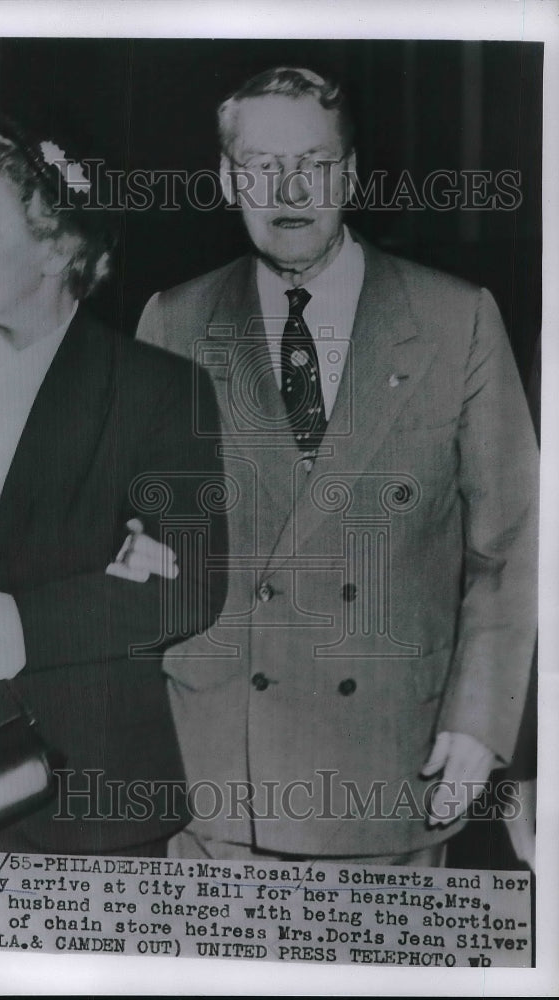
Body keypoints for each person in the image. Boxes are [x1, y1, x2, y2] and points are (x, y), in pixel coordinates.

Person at [137, 67, 538, 865]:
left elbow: (516, 549)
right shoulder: (173, 320)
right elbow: (133, 529)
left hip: (395, 768)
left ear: (349, 175)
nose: (288, 189)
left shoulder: (455, 319)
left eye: (314, 164)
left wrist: (482, 721)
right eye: (260, 165)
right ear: (227, 178)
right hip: (217, 784)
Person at [0, 117, 227, 856]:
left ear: (59, 247)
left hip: (96, 796)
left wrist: (18, 623)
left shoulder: (160, 391)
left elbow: (187, 586)